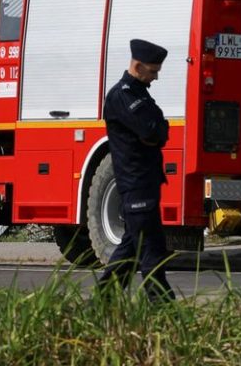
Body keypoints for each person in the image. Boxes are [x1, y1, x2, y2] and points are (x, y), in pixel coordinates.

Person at [96, 38, 175, 302]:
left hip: (146, 182)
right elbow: (152, 131)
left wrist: (157, 130)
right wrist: (156, 130)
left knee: (131, 247)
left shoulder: (139, 93)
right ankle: (162, 307)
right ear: (138, 66)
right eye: (152, 71)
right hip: (136, 182)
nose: (155, 78)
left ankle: (103, 302)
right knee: (152, 250)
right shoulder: (122, 96)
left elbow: (160, 130)